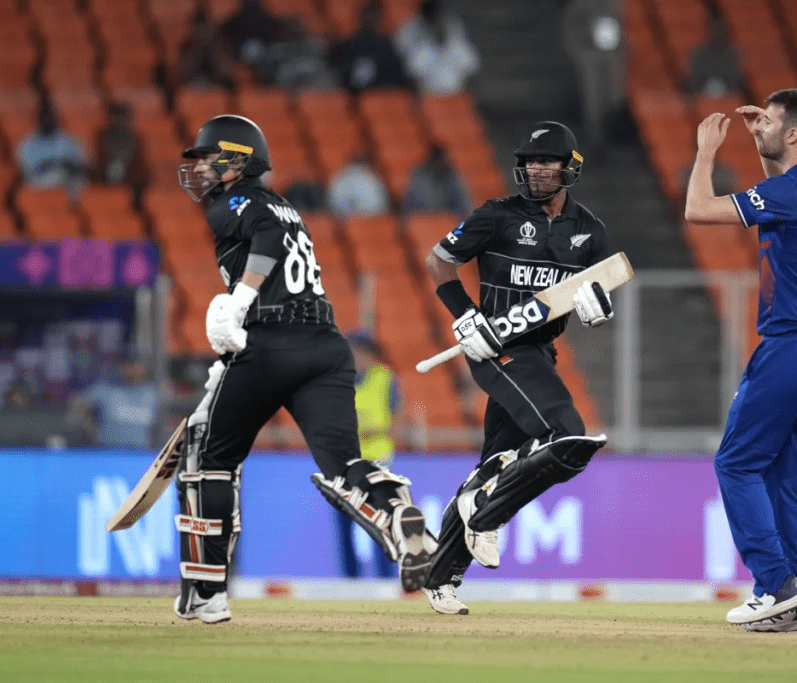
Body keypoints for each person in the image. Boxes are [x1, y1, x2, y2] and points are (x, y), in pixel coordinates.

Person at [172, 114, 432, 623]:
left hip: (272, 340)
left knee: (207, 458)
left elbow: (265, 239)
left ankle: (206, 592)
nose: (199, 168)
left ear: (237, 160)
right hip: (326, 345)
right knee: (342, 466)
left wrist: (240, 300)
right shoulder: (286, 204)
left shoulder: (236, 202)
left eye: (208, 158)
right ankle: (399, 512)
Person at [421, 121, 614, 615]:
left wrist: (597, 306)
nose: (536, 169)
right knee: (565, 433)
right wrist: (466, 317)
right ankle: (486, 517)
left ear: (571, 168)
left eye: (548, 161)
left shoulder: (590, 230)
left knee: (493, 465)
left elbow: (599, 285)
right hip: (495, 348)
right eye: (530, 161)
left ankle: (440, 575)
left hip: (540, 351)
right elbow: (439, 262)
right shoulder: (497, 216)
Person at [684, 88, 797, 632]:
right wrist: (761, 142)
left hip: (792, 347)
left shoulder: (792, 193)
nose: (763, 128)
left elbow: (698, 210)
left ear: (794, 134)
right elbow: (778, 188)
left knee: (735, 463)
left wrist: (707, 150)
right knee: (788, 481)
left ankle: (775, 585)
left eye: (772, 123)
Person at [333, 331, 409, 579]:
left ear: (370, 354)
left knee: (381, 520)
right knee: (345, 521)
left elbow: (398, 414)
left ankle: (385, 578)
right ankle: (350, 579)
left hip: (378, 459)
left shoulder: (384, 378)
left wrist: (381, 433)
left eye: (360, 352)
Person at [561, 0, 625, 147]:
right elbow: (570, 30)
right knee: (594, 100)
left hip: (613, 58)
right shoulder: (580, 5)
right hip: (590, 58)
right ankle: (597, 141)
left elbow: (621, 28)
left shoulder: (615, 4)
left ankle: (614, 138)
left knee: (615, 98)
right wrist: (580, 50)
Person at [74, 352, 160, 448]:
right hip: (109, 450)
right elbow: (80, 402)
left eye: (136, 365)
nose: (133, 370)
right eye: (128, 365)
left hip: (141, 450)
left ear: (144, 368)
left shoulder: (152, 392)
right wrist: (93, 431)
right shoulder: (106, 389)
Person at [394, 0, 480, 94]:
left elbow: (472, 69)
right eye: (434, 19)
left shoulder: (457, 43)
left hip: (457, 98)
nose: (437, 23)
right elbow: (413, 76)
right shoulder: (421, 47)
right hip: (429, 98)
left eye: (439, 18)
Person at [16, 98, 87, 198]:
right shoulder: (27, 144)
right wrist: (54, 165)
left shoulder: (70, 141)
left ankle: (75, 208)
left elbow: (80, 165)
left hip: (67, 180)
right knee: (60, 175)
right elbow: (29, 173)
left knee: (78, 180)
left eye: (51, 116)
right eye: (44, 117)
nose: (48, 120)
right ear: (38, 119)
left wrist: (67, 165)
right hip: (40, 184)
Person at [683, 14, 746, 99]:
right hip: (702, 97)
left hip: (728, 97)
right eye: (713, 30)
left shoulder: (732, 54)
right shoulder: (698, 53)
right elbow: (693, 80)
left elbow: (736, 80)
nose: (716, 33)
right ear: (708, 31)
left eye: (719, 30)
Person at [93, 101, 148, 197]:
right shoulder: (102, 136)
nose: (118, 120)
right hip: (104, 177)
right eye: (115, 116)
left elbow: (139, 163)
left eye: (121, 116)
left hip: (131, 179)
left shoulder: (135, 137)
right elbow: (99, 159)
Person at [404, 144, 472, 219]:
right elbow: (413, 204)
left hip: (447, 221)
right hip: (423, 220)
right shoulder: (420, 175)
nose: (441, 163)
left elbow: (464, 204)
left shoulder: (452, 175)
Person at [326, 150, 391, 218]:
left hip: (341, 222)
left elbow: (331, 206)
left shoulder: (337, 177)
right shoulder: (372, 178)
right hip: (370, 221)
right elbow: (381, 208)